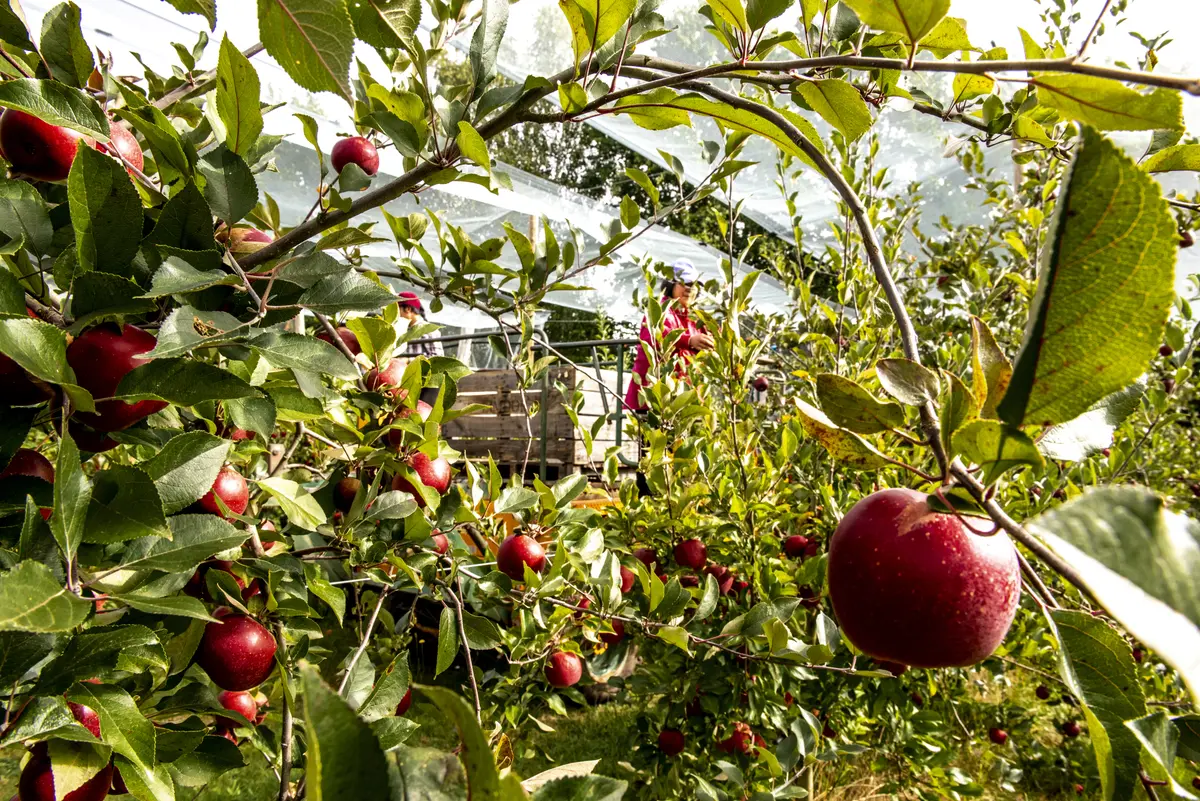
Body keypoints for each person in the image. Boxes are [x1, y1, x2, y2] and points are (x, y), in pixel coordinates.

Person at [623, 259, 714, 413]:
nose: (688, 289)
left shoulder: (694, 318)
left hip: (682, 395)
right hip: (654, 394)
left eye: (693, 285)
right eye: (683, 283)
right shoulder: (660, 309)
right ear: (671, 285)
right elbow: (654, 337)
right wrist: (688, 340)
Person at [397, 291, 443, 358]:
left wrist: (408, 361)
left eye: (398, 310)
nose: (397, 314)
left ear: (408, 309)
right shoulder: (404, 331)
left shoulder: (428, 330)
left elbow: (437, 358)